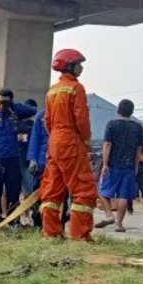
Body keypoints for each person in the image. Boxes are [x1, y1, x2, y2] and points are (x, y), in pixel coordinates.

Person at [39, 48, 97, 240]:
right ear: (70, 66)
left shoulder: (52, 91)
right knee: (83, 188)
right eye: (79, 64)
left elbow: (47, 120)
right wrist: (86, 140)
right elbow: (81, 118)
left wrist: (55, 137)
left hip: (54, 141)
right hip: (71, 140)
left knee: (52, 187)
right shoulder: (75, 88)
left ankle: (51, 232)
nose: (81, 68)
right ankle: (80, 235)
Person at [0, 89, 36, 222]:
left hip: (13, 159)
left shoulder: (15, 114)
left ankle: (13, 219)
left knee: (13, 191)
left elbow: (32, 110)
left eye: (6, 100)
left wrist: (12, 106)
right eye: (0, 101)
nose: (2, 104)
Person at [96, 99, 143, 232]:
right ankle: (119, 224)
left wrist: (105, 164)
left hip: (112, 165)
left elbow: (107, 144)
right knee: (123, 196)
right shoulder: (138, 127)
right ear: (132, 111)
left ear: (118, 110)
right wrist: (135, 165)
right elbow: (139, 149)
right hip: (129, 166)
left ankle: (109, 215)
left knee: (101, 190)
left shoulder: (112, 124)